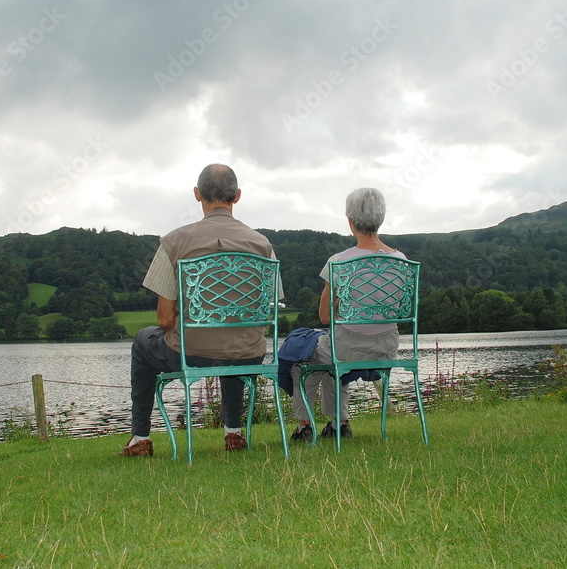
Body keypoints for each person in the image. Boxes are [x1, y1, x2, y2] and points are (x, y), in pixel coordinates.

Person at [120, 164, 281, 457]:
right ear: (238, 196)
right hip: (248, 351)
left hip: (191, 352)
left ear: (197, 195)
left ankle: (140, 437)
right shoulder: (263, 245)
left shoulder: (174, 242)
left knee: (143, 341)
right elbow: (269, 309)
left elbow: (165, 319)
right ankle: (233, 433)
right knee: (234, 345)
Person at [290, 187, 405, 442]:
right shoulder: (402, 260)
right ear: (381, 218)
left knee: (300, 357)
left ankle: (305, 426)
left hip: (346, 348)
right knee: (329, 357)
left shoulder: (339, 262)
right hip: (386, 349)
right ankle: (338, 424)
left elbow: (324, 317)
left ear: (350, 221)